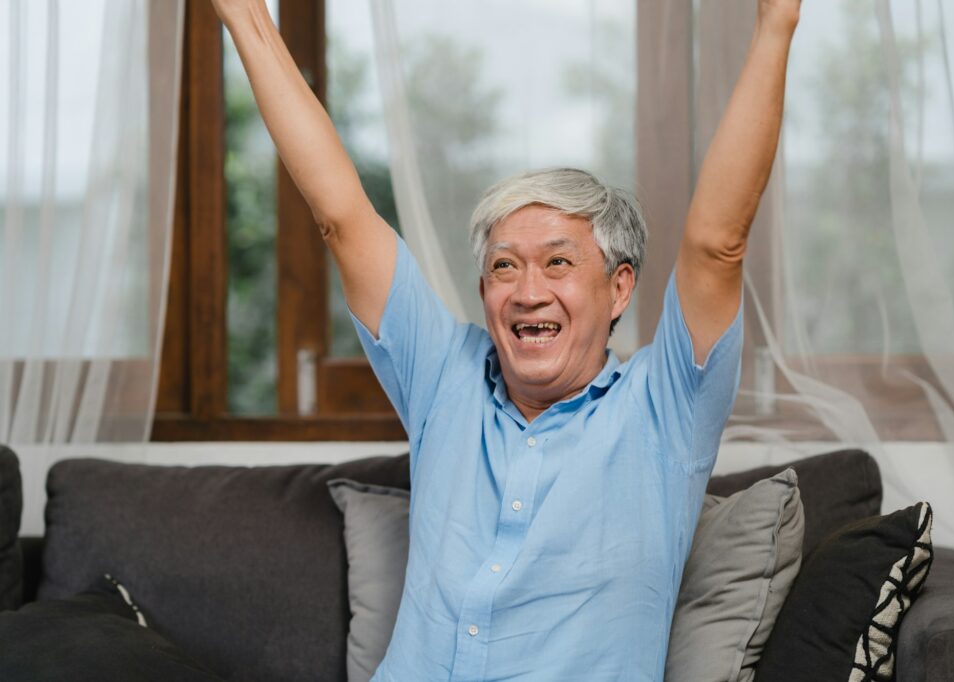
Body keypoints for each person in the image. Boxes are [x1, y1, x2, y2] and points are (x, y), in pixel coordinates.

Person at [213, 1, 800, 679]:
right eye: (503, 266)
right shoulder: (445, 377)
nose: (527, 291)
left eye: (558, 263)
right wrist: (246, 19)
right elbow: (340, 215)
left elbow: (717, 244)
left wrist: (775, 25)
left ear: (618, 289)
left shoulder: (664, 407)